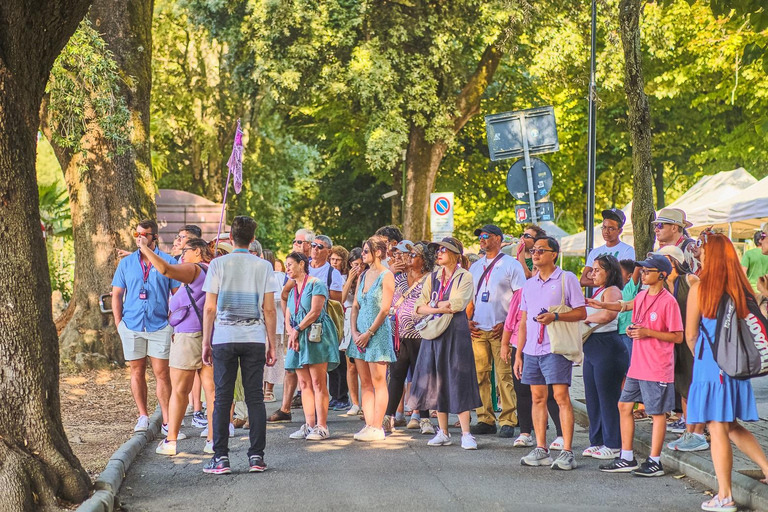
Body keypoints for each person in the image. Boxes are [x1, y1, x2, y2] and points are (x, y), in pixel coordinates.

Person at [686, 233, 768, 512]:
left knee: (717, 427)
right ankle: (767, 469)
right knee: (730, 424)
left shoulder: (700, 288)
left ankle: (724, 496)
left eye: (703, 250)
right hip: (735, 364)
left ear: (710, 256)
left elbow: (690, 334)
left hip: (710, 364)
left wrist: (704, 357)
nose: (699, 253)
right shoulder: (740, 287)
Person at [201, 216, 277, 474]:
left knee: (222, 398)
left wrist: (205, 341)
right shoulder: (263, 266)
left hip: (223, 338)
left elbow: (210, 307)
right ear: (253, 239)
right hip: (254, 338)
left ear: (230, 239)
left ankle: (220, 457)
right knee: (255, 397)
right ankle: (256, 456)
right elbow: (269, 309)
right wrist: (272, 343)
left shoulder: (217, 264)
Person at [597, 254, 683, 477]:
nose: (643, 274)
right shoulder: (643, 296)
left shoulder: (668, 301)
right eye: (642, 271)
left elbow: (677, 337)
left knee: (657, 413)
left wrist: (647, 332)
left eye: (648, 271)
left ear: (662, 275)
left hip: (657, 366)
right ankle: (626, 457)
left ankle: (655, 461)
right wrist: (630, 327)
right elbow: (627, 307)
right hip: (638, 364)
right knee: (624, 406)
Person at [513, 236, 586, 470]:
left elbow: (581, 312)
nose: (535, 254)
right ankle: (541, 448)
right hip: (532, 349)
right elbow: (523, 322)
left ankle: (567, 452)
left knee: (561, 397)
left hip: (555, 347)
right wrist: (519, 353)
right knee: (537, 397)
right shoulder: (529, 284)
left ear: (554, 254)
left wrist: (556, 316)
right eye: (533, 250)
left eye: (540, 250)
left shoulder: (567, 278)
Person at [142, 238, 217, 456]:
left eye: (185, 250)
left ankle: (171, 440)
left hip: (188, 337)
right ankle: (213, 440)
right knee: (211, 392)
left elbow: (165, 269)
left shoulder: (194, 269)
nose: (182, 255)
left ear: (197, 251)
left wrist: (145, 249)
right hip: (209, 335)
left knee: (179, 391)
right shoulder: (212, 270)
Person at [408, 237, 482, 450]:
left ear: (455, 255)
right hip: (434, 334)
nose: (438, 253)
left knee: (458, 378)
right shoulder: (432, 277)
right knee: (436, 379)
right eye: (438, 250)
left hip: (456, 332)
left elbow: (458, 305)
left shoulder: (464, 276)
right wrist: (439, 306)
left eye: (444, 250)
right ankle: (443, 431)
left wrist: (431, 305)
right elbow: (418, 307)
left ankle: (466, 433)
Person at [111, 220, 178, 434]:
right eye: (136, 233)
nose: (139, 237)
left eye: (144, 234)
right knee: (137, 371)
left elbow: (177, 296)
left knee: (162, 373)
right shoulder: (127, 263)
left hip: (159, 325)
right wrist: (118, 322)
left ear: (154, 237)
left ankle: (167, 420)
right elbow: (117, 294)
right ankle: (143, 415)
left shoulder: (167, 261)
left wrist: (172, 321)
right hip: (131, 325)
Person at [468, 224, 526, 438]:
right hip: (478, 329)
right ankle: (485, 418)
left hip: (501, 330)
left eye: (486, 236)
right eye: (480, 236)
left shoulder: (511, 265)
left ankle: (509, 419)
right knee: (480, 376)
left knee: (504, 376)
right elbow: (469, 298)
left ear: (498, 239)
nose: (481, 239)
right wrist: (468, 320)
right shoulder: (475, 267)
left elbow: (520, 299)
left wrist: (507, 324)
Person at [649, 245, 708, 452]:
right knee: (683, 387)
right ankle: (689, 431)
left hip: (694, 340)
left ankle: (698, 433)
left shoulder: (690, 280)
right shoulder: (661, 286)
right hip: (674, 342)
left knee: (695, 386)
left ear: (672, 261)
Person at [284, 252, 340, 441]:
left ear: (302, 264)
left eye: (290, 264)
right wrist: (292, 332)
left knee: (318, 382)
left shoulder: (317, 284)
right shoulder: (292, 290)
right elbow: (288, 316)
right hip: (297, 337)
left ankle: (322, 426)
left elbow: (316, 311)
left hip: (314, 336)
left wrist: (297, 330)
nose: (287, 268)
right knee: (304, 383)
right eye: (286, 265)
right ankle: (308, 425)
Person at [500, 285, 564, 450]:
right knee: (522, 391)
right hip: (522, 345)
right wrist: (508, 346)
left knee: (551, 393)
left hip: (549, 345)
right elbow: (514, 322)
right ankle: (525, 433)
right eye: (534, 269)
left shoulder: (558, 287)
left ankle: (561, 434)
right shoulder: (523, 291)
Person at [384, 241, 436, 435]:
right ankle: (388, 417)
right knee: (396, 375)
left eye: (414, 255)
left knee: (421, 376)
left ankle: (424, 419)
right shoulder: (398, 278)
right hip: (399, 334)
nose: (408, 257)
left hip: (420, 334)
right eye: (409, 254)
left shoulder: (430, 279)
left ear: (423, 260)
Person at [580, 255, 629, 460]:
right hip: (592, 347)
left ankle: (613, 443)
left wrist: (584, 318)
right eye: (593, 269)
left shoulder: (612, 290)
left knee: (607, 397)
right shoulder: (598, 291)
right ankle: (597, 440)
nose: (593, 273)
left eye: (598, 269)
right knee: (593, 396)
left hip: (607, 346)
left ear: (610, 272)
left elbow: (608, 316)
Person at [347, 237, 396, 442]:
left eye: (366, 251)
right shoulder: (363, 274)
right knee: (364, 382)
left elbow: (385, 309)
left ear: (377, 252)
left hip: (377, 334)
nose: (362, 254)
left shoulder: (387, 275)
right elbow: (355, 305)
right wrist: (355, 332)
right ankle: (368, 424)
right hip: (358, 334)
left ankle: (378, 425)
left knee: (379, 381)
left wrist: (369, 333)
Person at [268, 228, 315, 424]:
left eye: (299, 242)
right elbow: (285, 294)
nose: (295, 244)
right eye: (295, 242)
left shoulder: (319, 269)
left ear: (309, 245)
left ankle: (314, 418)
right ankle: (285, 408)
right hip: (295, 326)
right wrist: (289, 322)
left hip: (314, 327)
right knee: (291, 367)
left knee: (312, 373)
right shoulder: (293, 270)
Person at [579, 208, 635, 287]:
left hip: (615, 297)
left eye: (611, 228)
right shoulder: (595, 252)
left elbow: (623, 278)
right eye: (604, 227)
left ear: (620, 231)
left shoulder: (627, 250)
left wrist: (595, 278)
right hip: (596, 298)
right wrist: (611, 277)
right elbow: (583, 281)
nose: (606, 231)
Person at [341, 248, 365, 417]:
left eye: (362, 265)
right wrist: (350, 278)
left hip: (364, 316)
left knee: (365, 363)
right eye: (356, 265)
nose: (359, 268)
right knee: (351, 365)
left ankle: (366, 402)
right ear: (350, 264)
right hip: (349, 316)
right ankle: (354, 402)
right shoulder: (343, 278)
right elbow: (340, 299)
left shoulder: (370, 276)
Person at [262, 250, 285, 404]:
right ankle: (263, 387)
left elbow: (279, 298)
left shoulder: (277, 277)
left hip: (275, 323)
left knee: (273, 355)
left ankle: (269, 389)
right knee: (262, 356)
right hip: (260, 323)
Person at [654, 208, 699, 275]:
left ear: (674, 228)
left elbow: (700, 278)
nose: (656, 230)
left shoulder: (690, 248)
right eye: (655, 225)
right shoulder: (661, 251)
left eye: (660, 225)